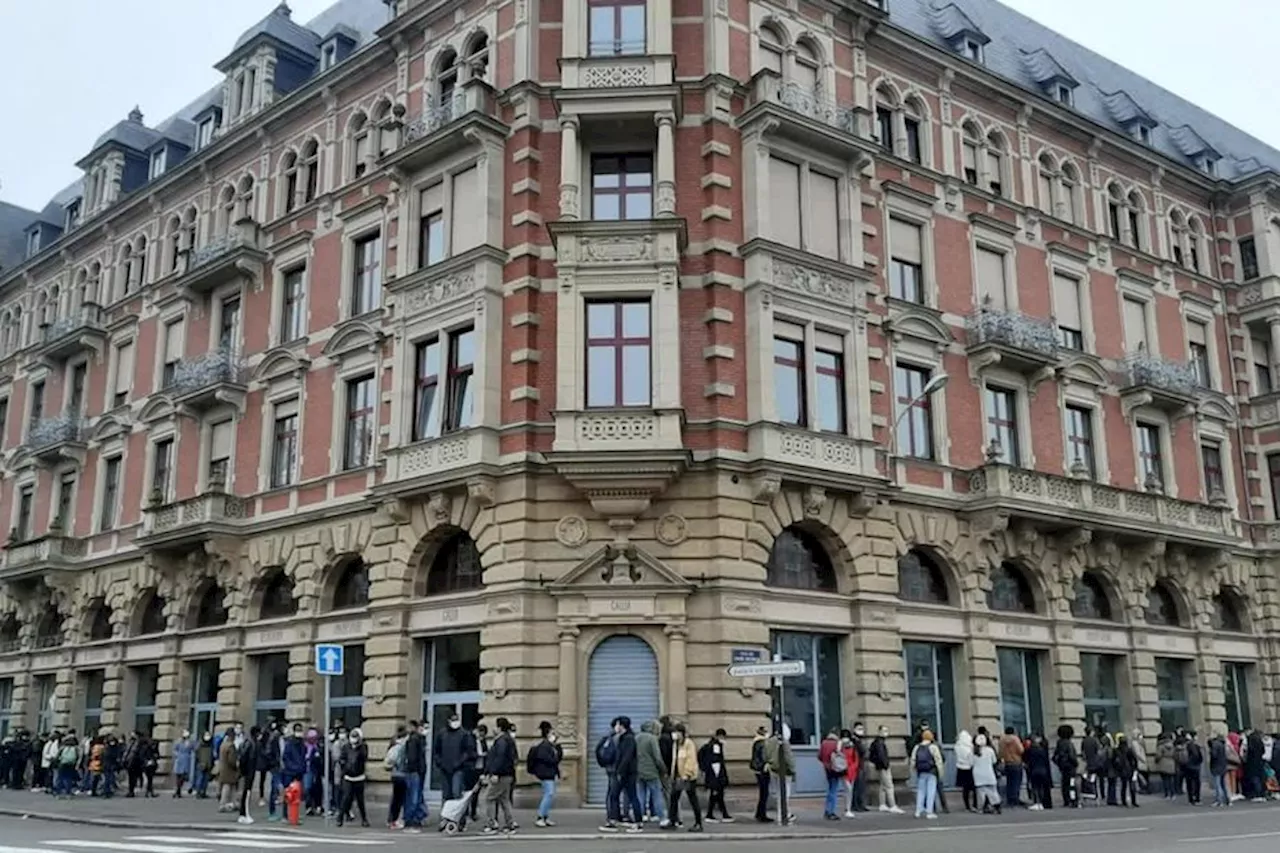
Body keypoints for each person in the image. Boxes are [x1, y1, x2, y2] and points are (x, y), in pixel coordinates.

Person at [602, 716, 643, 832]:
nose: (616, 727)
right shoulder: (624, 737)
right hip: (625, 772)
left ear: (622, 726)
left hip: (627, 773)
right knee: (617, 795)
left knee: (629, 796)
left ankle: (637, 823)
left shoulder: (628, 738)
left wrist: (620, 771)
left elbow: (627, 757)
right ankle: (614, 821)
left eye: (617, 724)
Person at [434, 712, 475, 821]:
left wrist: (460, 762)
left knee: (457, 793)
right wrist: (440, 762)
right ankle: (445, 818)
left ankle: (459, 819)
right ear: (448, 721)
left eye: (456, 720)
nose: (455, 722)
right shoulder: (442, 734)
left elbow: (468, 751)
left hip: (458, 768)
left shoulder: (464, 734)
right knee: (446, 795)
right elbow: (436, 750)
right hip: (445, 768)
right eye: (453, 720)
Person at [662, 723, 702, 832]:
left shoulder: (689, 744)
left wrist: (687, 774)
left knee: (693, 800)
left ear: (682, 733)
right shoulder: (676, 744)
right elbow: (675, 761)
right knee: (674, 799)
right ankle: (672, 821)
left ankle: (698, 823)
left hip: (687, 777)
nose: (674, 735)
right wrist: (672, 774)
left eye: (676, 732)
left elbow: (691, 759)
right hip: (678, 776)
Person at [481, 717, 517, 835]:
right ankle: (510, 824)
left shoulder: (501, 741)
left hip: (501, 775)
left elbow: (499, 758)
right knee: (504, 800)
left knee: (489, 798)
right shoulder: (508, 739)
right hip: (507, 774)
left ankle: (491, 824)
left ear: (499, 728)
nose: (493, 728)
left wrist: (494, 772)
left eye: (495, 726)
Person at [527, 720, 563, 828]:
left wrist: (557, 746)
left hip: (549, 773)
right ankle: (540, 817)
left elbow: (558, 758)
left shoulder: (551, 746)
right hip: (546, 774)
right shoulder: (544, 746)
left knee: (549, 794)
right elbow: (551, 760)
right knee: (549, 794)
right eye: (552, 733)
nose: (554, 735)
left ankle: (545, 817)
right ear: (547, 734)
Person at [636, 720, 668, 826]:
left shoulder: (636, 738)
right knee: (657, 795)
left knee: (641, 795)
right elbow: (657, 757)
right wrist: (663, 769)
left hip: (639, 771)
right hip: (651, 772)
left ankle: (640, 816)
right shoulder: (652, 739)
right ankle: (662, 818)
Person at [337, 728, 371, 828]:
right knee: (346, 798)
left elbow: (364, 757)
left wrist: (358, 747)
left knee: (360, 800)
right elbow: (342, 758)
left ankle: (364, 819)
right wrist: (344, 767)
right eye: (352, 737)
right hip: (348, 777)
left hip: (359, 777)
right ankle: (340, 818)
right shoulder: (346, 747)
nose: (353, 739)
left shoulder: (363, 747)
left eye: (356, 737)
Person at [764, 727, 796, 825]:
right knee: (785, 795)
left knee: (779, 793)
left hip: (773, 769)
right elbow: (788, 757)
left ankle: (784, 814)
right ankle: (783, 816)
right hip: (784, 771)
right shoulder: (784, 742)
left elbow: (765, 755)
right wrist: (793, 770)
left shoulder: (769, 741)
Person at [699, 728, 733, 822]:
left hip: (714, 775)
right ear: (720, 736)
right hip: (716, 776)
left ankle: (722, 815)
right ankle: (712, 815)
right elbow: (716, 761)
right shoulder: (715, 746)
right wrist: (718, 777)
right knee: (716, 795)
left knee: (718, 796)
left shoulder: (711, 744)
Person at [910, 730, 943, 819]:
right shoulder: (933, 747)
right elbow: (938, 761)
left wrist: (912, 770)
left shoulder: (917, 747)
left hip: (921, 771)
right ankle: (929, 812)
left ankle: (918, 811)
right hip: (931, 772)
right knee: (931, 792)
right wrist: (940, 773)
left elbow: (913, 759)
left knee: (920, 791)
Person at [971, 732, 1001, 815]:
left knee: (980, 794)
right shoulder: (990, 750)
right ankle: (996, 806)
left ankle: (981, 808)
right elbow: (994, 761)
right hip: (989, 773)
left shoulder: (973, 751)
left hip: (978, 775)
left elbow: (971, 763)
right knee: (993, 792)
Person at [818, 728, 844, 820]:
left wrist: (826, 763)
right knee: (834, 790)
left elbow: (820, 756)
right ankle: (831, 812)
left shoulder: (824, 743)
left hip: (827, 768)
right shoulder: (838, 743)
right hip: (835, 768)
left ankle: (827, 810)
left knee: (829, 789)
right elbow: (841, 756)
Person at [237, 726, 261, 825]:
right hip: (249, 771)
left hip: (248, 770)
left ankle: (243, 815)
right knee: (247, 794)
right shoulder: (251, 744)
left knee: (246, 793)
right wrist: (244, 770)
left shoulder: (251, 743)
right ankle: (245, 814)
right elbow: (243, 757)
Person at [1025, 733, 1052, 810]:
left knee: (1035, 787)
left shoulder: (1030, 750)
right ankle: (1042, 803)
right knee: (1041, 787)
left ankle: (1037, 802)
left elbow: (1028, 761)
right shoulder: (1042, 750)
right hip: (1043, 770)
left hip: (1034, 770)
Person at [998, 726, 1025, 807]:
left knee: (1009, 782)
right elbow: (1021, 750)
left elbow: (1000, 753)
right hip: (1016, 762)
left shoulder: (1002, 740)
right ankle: (1015, 799)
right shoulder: (1015, 739)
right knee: (1017, 782)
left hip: (1007, 763)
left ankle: (1010, 799)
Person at [1053, 725, 1078, 808]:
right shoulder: (1069, 743)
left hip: (1063, 767)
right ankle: (1073, 800)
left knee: (1065, 784)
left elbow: (1054, 756)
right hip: (1070, 766)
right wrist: (1075, 763)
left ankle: (1066, 800)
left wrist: (1059, 763)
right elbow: (1071, 755)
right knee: (1072, 784)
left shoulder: (1059, 743)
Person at [750, 725, 771, 823]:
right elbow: (764, 756)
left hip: (757, 770)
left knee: (763, 793)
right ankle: (762, 815)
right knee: (764, 793)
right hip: (762, 770)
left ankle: (759, 813)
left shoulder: (756, 741)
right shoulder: (762, 743)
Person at [217, 726, 240, 812]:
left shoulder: (223, 744)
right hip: (229, 770)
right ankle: (222, 805)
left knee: (232, 786)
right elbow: (231, 760)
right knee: (227, 787)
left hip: (223, 769)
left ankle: (235, 803)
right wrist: (236, 765)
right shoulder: (231, 746)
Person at [1113, 732, 1139, 807]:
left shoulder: (1117, 750)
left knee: (1123, 786)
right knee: (1132, 786)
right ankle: (1133, 801)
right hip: (1129, 769)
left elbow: (1113, 760)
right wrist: (1135, 769)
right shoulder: (1129, 749)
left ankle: (1123, 801)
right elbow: (1134, 759)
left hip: (1121, 770)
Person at [954, 730, 976, 811]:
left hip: (960, 768)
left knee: (965, 789)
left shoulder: (957, 746)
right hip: (969, 768)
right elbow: (971, 759)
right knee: (973, 788)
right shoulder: (969, 748)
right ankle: (974, 805)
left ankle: (967, 806)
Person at [1209, 729, 1230, 807]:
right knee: (1223, 784)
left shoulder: (1215, 744)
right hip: (1223, 766)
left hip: (1216, 766)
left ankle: (1219, 801)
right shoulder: (1222, 744)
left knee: (1217, 784)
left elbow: (1214, 755)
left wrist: (1211, 752)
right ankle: (1227, 800)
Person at [1184, 730, 1204, 805]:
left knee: (1189, 783)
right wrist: (1198, 762)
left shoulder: (1186, 744)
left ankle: (1191, 799)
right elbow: (1198, 756)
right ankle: (1197, 798)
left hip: (1188, 766)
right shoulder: (1195, 745)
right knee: (1196, 783)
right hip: (1195, 766)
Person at [171, 731, 194, 798]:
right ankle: (178, 791)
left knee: (183, 776)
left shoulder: (189, 742)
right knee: (178, 776)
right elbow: (174, 750)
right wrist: (177, 755)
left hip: (186, 760)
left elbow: (193, 748)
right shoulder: (178, 742)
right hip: (179, 760)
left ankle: (178, 790)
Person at [193, 732, 214, 798]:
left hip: (208, 763)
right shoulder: (200, 744)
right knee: (200, 778)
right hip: (201, 763)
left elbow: (211, 754)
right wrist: (200, 760)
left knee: (205, 780)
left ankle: (203, 792)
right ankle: (198, 792)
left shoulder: (210, 744)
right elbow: (196, 752)